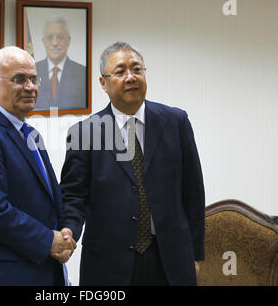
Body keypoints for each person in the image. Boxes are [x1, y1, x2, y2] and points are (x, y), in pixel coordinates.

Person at [59, 42, 205, 285]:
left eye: (137, 69)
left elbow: (193, 193)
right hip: (108, 263)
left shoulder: (175, 122)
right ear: (103, 83)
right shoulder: (85, 133)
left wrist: (196, 256)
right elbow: (74, 195)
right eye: (120, 72)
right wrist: (68, 231)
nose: (130, 77)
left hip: (170, 260)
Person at [0, 46, 76, 285]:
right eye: (19, 79)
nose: (30, 87)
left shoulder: (32, 135)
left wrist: (66, 233)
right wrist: (47, 240)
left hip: (41, 269)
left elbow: (48, 199)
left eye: (33, 79)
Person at [34, 17, 86, 111]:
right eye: (49, 37)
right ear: (43, 41)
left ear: (69, 41)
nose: (54, 43)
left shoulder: (83, 73)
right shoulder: (32, 71)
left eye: (60, 37)